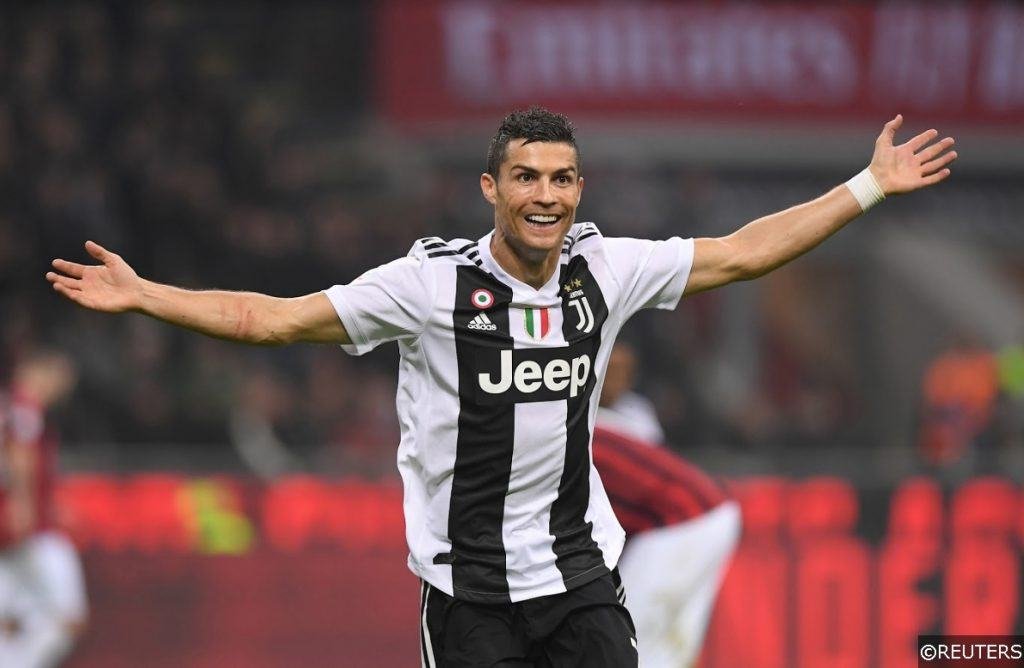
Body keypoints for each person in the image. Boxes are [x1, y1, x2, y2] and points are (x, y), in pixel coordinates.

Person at [46, 107, 955, 667]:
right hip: (469, 594)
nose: (544, 195)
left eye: (560, 178)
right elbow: (270, 319)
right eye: (525, 177)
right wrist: (145, 295)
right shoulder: (427, 286)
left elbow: (743, 253)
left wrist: (868, 186)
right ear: (492, 187)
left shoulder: (607, 267)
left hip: (579, 578)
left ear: (579, 188)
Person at [594, 341, 740, 668]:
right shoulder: (594, 417)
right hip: (698, 515)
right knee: (660, 652)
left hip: (682, 520)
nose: (616, 375)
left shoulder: (580, 423)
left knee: (626, 644)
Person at [0, 350, 88, 668]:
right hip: (31, 529)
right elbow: (19, 455)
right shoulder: (24, 406)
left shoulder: (11, 405)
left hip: (19, 525)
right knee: (69, 618)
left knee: (10, 619)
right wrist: (23, 504)